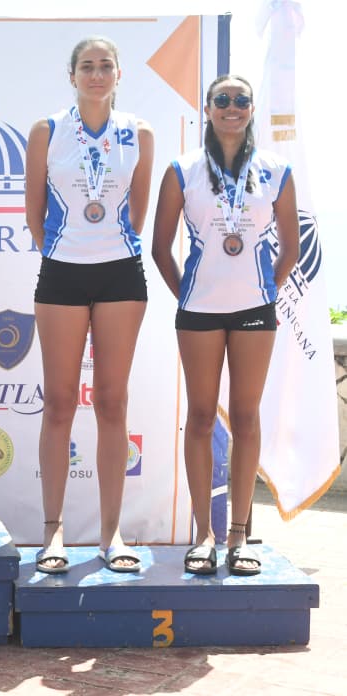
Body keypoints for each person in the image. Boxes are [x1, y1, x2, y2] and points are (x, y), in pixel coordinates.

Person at [152, 75, 299, 576]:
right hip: (199, 311)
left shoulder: (276, 169)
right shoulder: (183, 169)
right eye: (222, 100)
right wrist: (190, 297)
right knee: (199, 417)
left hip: (255, 311)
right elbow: (160, 247)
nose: (231, 107)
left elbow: (290, 247)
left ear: (252, 108)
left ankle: (238, 535)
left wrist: (264, 292)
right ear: (208, 108)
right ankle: (204, 535)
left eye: (241, 100)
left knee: (246, 418)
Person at [24, 37, 154, 574]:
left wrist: (104, 249)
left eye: (105, 66)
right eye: (87, 66)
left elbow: (138, 213)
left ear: (119, 74)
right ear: (72, 74)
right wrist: (68, 251)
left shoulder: (139, 132)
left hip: (121, 272)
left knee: (112, 403)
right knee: (58, 404)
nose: (96, 74)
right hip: (62, 273)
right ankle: (52, 531)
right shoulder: (47, 130)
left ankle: (111, 533)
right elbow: (34, 213)